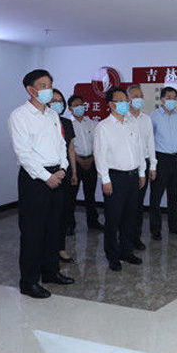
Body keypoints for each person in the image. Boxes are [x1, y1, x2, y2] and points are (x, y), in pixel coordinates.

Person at [8, 69, 75, 299]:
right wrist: (47, 177)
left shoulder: (53, 115)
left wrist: (63, 168)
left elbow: (61, 145)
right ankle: (29, 281)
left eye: (50, 84)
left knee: (54, 227)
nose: (48, 89)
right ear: (31, 89)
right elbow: (23, 153)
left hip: (58, 175)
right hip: (35, 179)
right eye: (43, 85)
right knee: (33, 231)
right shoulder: (19, 116)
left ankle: (50, 272)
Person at [93, 87, 146, 271]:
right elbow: (99, 155)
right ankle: (112, 256)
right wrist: (105, 179)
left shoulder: (132, 123)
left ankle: (126, 251)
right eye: (120, 100)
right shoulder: (103, 127)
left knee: (130, 218)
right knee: (113, 219)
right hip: (115, 178)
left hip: (133, 176)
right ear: (111, 104)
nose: (125, 103)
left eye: (126, 100)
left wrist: (142, 172)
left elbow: (139, 149)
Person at [149, 86, 177, 240]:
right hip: (160, 158)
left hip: (175, 158)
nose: (172, 100)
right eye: (168, 97)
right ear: (162, 99)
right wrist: (152, 164)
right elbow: (149, 140)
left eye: (174, 98)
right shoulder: (154, 116)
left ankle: (174, 227)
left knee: (174, 195)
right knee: (156, 197)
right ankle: (155, 229)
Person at [49, 90, 79, 262]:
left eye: (60, 100)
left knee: (63, 212)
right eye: (54, 100)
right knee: (49, 215)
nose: (58, 103)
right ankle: (48, 250)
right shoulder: (42, 122)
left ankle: (60, 248)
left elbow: (71, 149)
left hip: (65, 173)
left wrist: (73, 172)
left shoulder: (67, 123)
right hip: (47, 175)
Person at [67, 94, 103, 233]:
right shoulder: (68, 124)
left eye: (81, 104)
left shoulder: (92, 123)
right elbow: (68, 147)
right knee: (71, 196)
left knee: (90, 195)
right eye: (76, 105)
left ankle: (93, 222)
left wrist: (92, 158)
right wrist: (79, 160)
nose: (80, 107)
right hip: (75, 163)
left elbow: (97, 143)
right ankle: (70, 225)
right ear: (70, 108)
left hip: (91, 162)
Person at [127, 84, 155, 249]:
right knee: (126, 204)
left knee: (138, 204)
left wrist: (153, 166)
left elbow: (150, 143)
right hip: (128, 166)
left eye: (141, 96)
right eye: (135, 96)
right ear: (128, 99)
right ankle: (124, 238)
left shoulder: (146, 119)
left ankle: (135, 238)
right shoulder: (123, 118)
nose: (139, 99)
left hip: (144, 165)